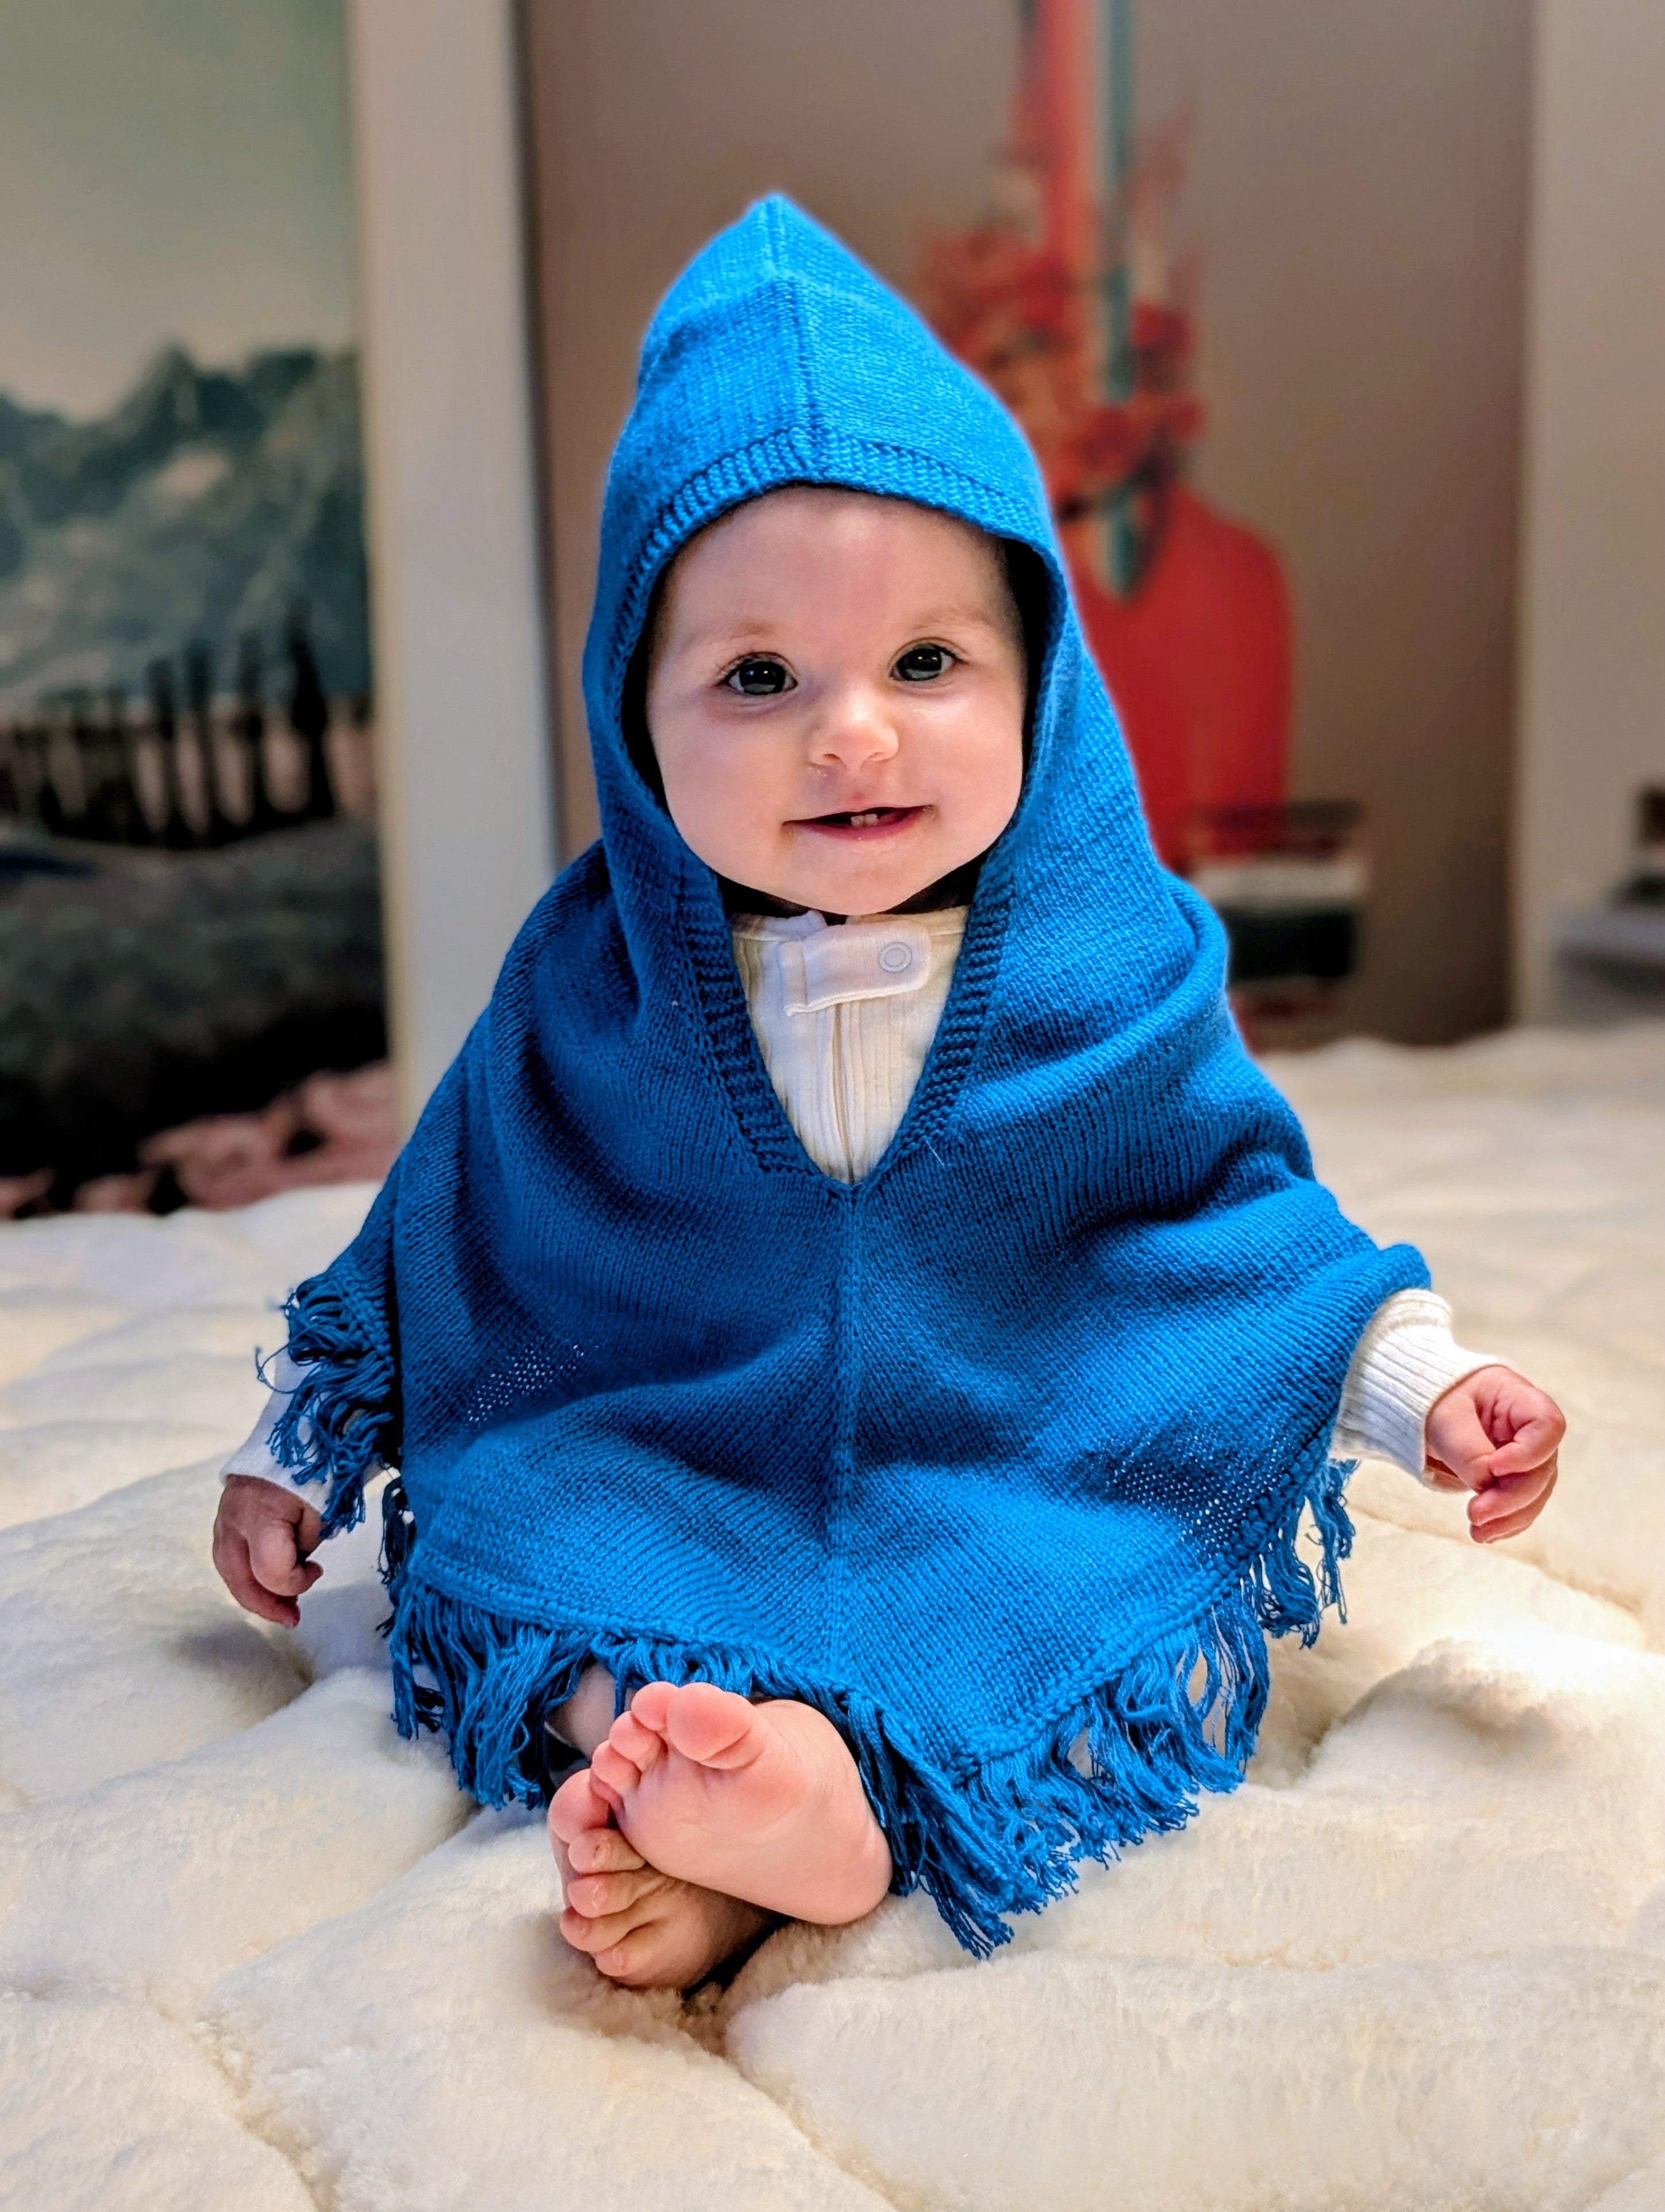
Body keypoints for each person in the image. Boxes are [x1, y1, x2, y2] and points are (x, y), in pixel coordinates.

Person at [212, 198, 1563, 1993]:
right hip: (671, 1439)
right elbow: (452, 1223)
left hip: (1009, 1436)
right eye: (758, 678)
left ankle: (806, 1810)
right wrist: (294, 1443)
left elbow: (1230, 1237)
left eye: (927, 664)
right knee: (557, 1586)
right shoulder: (588, 982)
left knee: (1085, 1621)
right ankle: (726, 1804)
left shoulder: (1116, 969)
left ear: (1039, 686)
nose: (852, 733)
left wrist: (1427, 1387)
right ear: (633, 714)